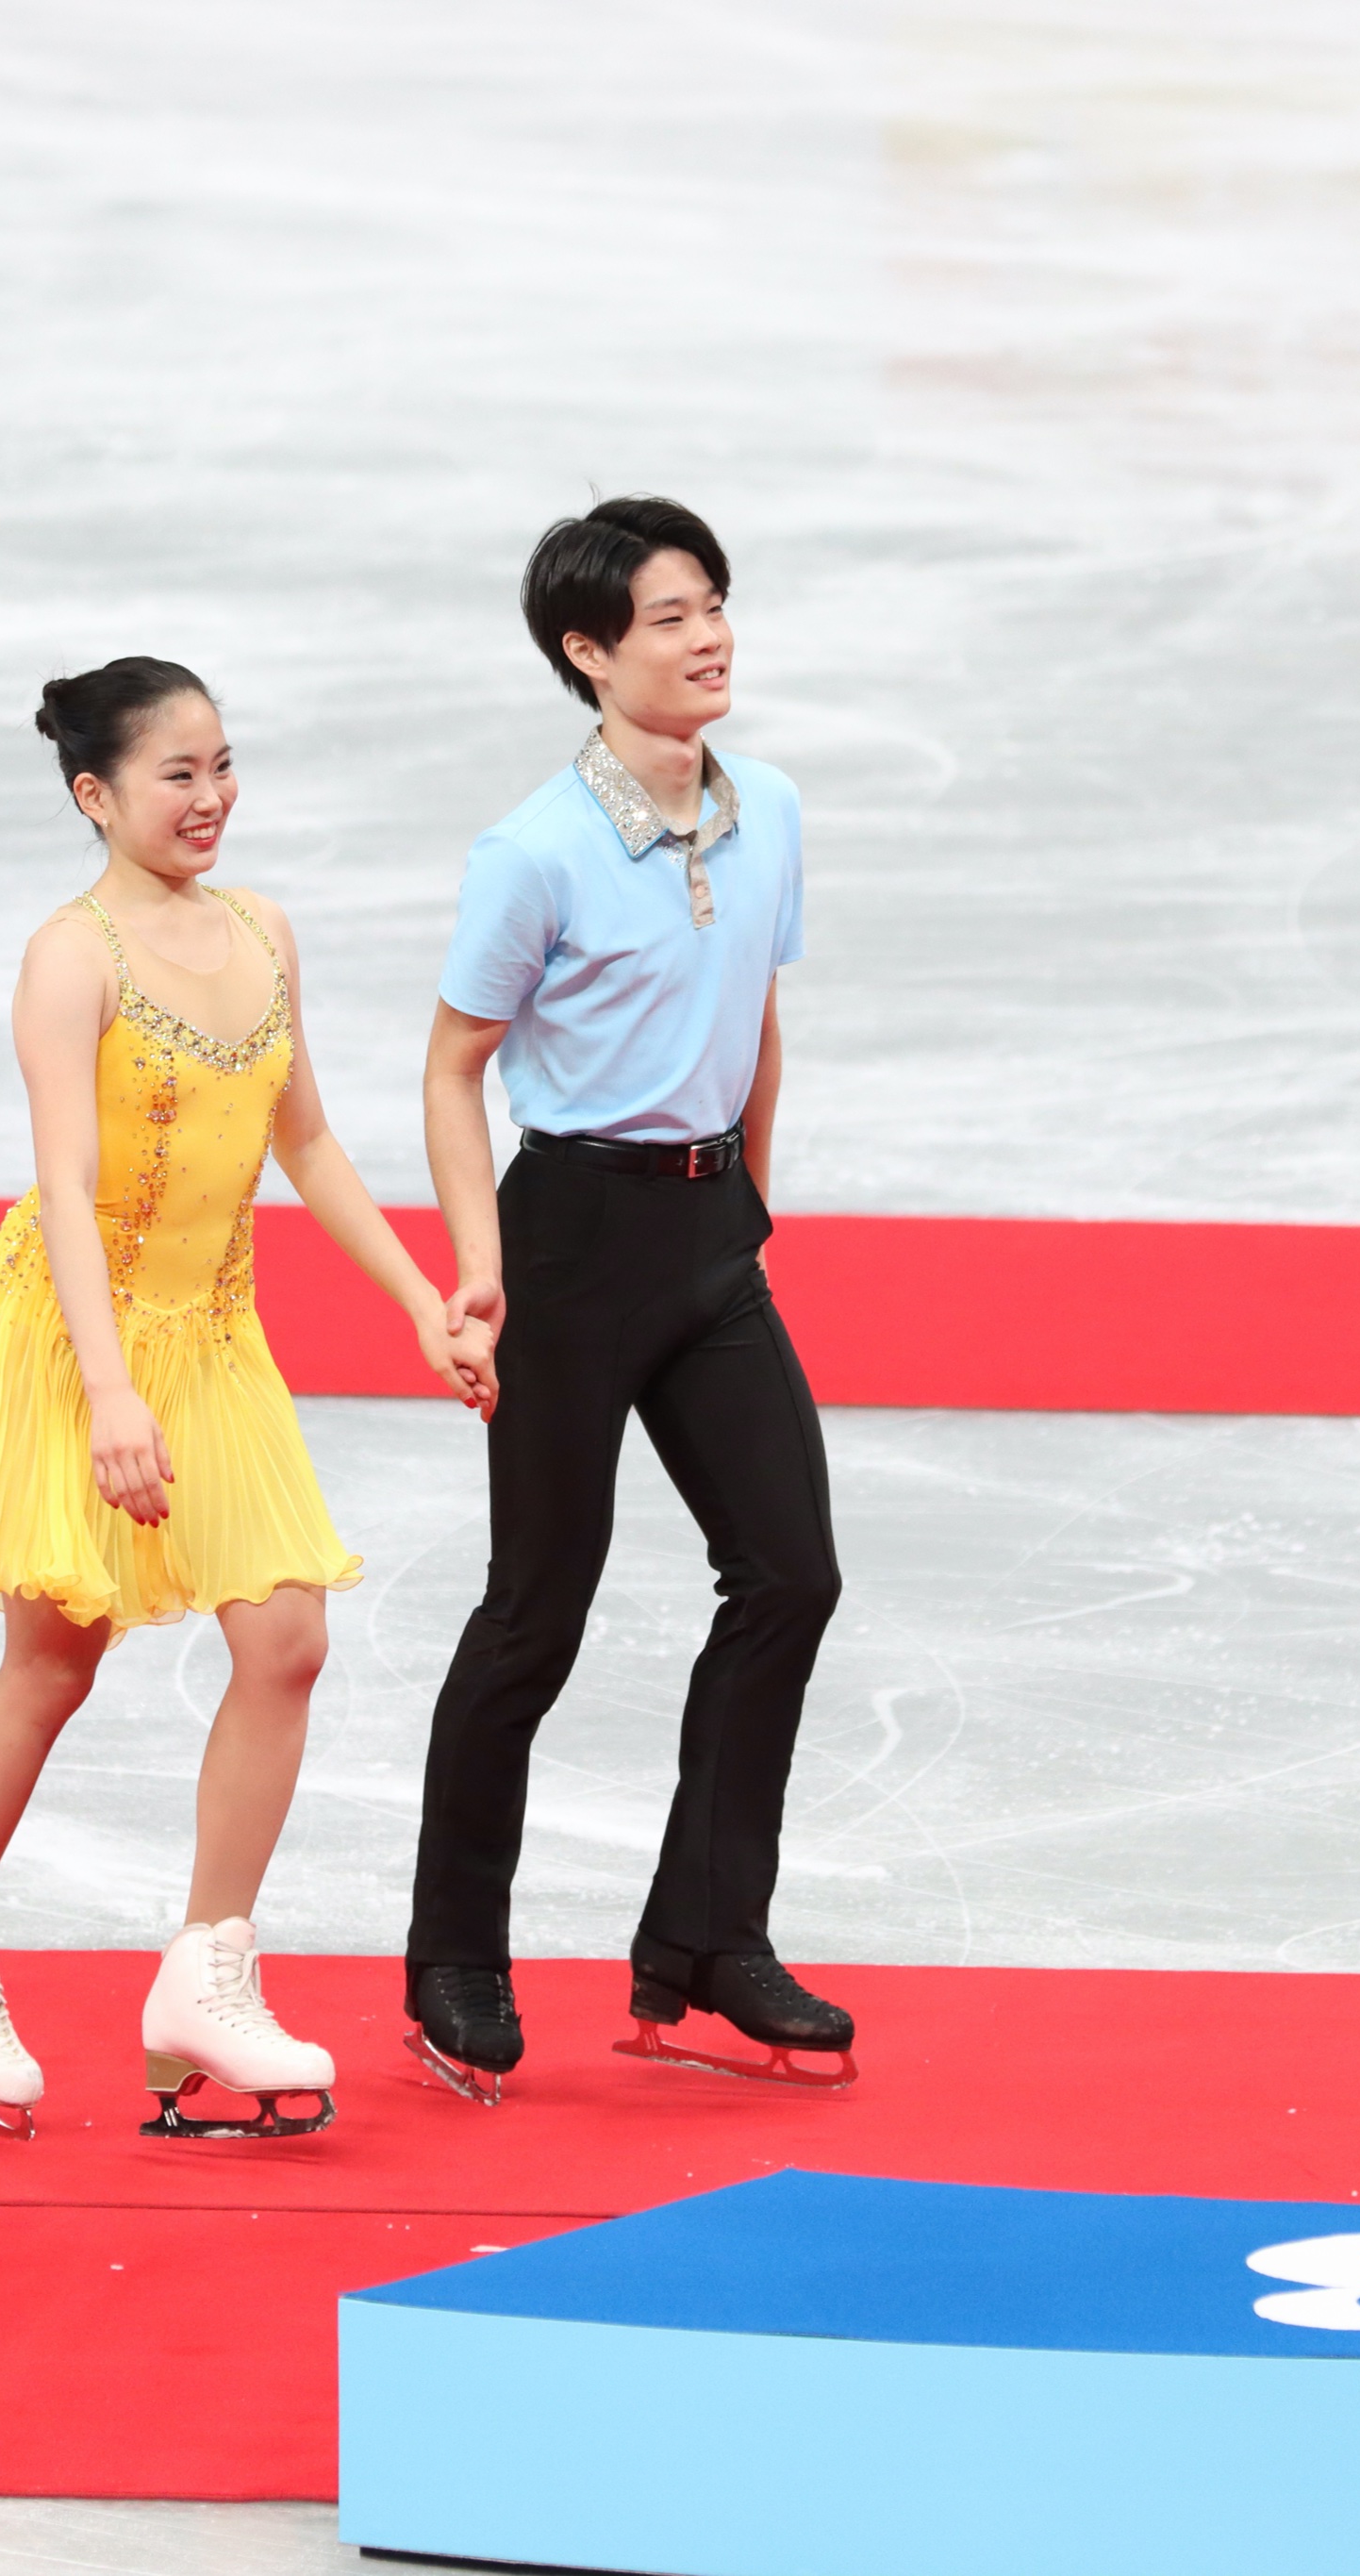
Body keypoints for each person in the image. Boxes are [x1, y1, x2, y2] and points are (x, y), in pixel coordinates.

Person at [0, 656, 496, 2144]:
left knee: (286, 1637)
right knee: (56, 1658)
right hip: (70, 1337)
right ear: (95, 796)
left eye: (224, 765)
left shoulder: (263, 931)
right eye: (177, 774)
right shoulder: (69, 957)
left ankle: (206, 1976)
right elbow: (65, 1189)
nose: (211, 797)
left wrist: (421, 1302)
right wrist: (107, 1393)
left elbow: (309, 1141)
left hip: (214, 1335)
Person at [403, 498, 855, 2104]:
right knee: (540, 1608)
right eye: (670, 617)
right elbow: (454, 1070)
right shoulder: (534, 851)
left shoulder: (767, 806)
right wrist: (477, 1272)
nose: (709, 635)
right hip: (572, 1244)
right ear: (589, 655)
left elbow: (759, 1010)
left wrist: (753, 1193)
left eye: (713, 602)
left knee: (791, 1573)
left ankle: (710, 1940)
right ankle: (454, 1958)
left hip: (711, 1236)